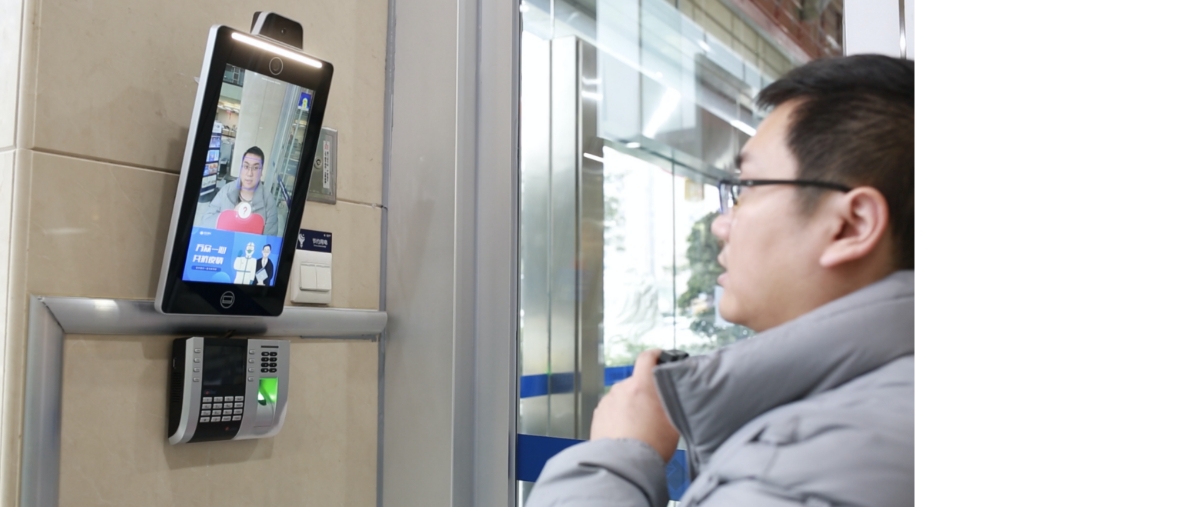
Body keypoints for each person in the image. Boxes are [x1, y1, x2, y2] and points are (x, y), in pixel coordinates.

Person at [527, 54, 914, 507]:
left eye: (746, 188)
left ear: (851, 225)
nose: (720, 224)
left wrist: (614, 456)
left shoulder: (802, 469)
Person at [201, 146, 279, 236]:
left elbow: (269, 239)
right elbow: (206, 221)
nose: (249, 173)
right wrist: (231, 217)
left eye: (255, 168)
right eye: (246, 166)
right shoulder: (226, 190)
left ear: (261, 172)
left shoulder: (269, 201)